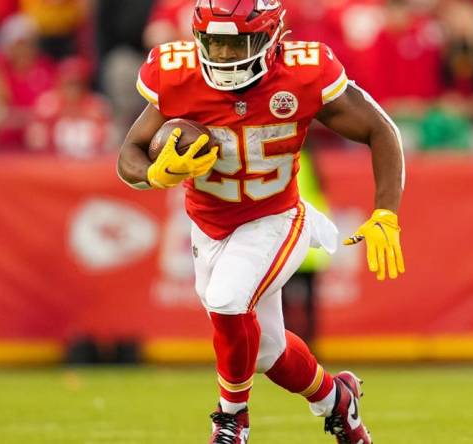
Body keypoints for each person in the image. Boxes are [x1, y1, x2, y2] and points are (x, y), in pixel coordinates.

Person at [117, 1, 405, 443]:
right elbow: (129, 155)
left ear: (272, 37)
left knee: (228, 299)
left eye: (237, 45)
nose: (225, 57)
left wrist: (385, 210)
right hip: (208, 225)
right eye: (214, 43)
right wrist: (153, 174)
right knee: (267, 350)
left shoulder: (303, 72)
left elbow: (380, 129)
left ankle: (231, 422)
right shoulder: (177, 74)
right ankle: (338, 402)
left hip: (276, 216)